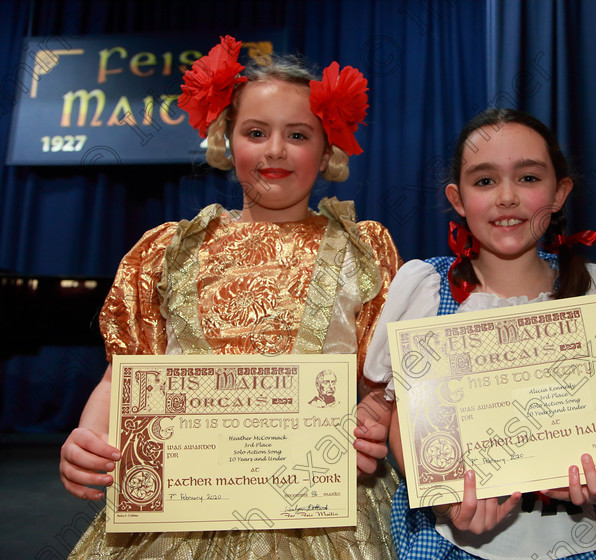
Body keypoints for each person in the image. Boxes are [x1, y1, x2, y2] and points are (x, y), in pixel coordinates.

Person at [59, 35, 400, 559]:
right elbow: (125, 373)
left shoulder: (363, 249)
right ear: (227, 138)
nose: (275, 150)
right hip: (182, 504)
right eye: (256, 132)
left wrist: (372, 417)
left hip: (322, 503)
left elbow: (387, 379)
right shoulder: (168, 249)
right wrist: (87, 436)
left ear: (328, 149)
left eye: (299, 134)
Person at [363, 108, 596, 559]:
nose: (507, 197)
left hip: (573, 539)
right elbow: (399, 416)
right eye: (485, 181)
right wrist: (445, 498)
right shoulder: (428, 289)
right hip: (449, 540)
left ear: (560, 192)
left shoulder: (590, 291)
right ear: (458, 198)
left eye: (528, 178)